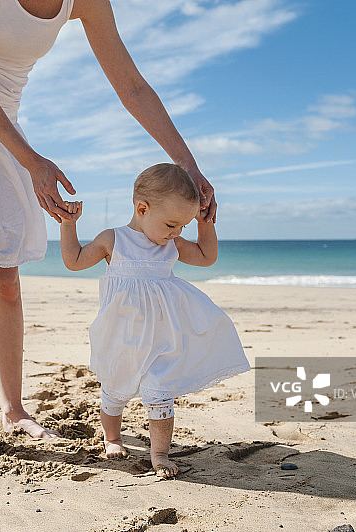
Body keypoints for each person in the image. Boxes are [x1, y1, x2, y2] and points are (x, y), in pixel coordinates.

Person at [0, 0, 218, 464]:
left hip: (0, 125)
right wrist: (33, 163)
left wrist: (188, 164)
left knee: (4, 278)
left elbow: (133, 88)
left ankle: (13, 410)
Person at [59, 163, 251, 477]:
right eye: (171, 224)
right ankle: (112, 437)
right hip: (122, 337)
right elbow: (75, 261)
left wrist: (205, 224)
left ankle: (159, 454)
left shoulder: (170, 245)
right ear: (142, 209)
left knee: (160, 390)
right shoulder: (114, 240)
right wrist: (68, 225)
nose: (176, 233)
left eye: (182, 228)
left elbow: (206, 257)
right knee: (114, 391)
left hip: (162, 338)